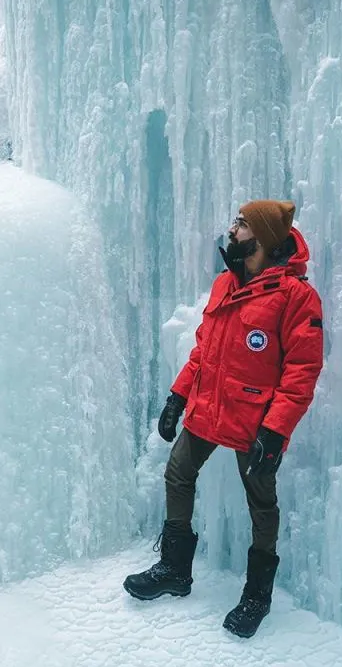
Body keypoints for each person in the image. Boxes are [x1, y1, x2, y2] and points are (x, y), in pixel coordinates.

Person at [124, 200, 324, 638]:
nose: (232, 230)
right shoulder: (224, 285)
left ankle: (257, 596)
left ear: (264, 238)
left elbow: (301, 372)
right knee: (178, 472)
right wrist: (178, 396)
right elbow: (203, 350)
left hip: (255, 420)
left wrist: (275, 432)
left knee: (261, 502)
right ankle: (175, 569)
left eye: (242, 223)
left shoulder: (296, 296)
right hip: (209, 407)